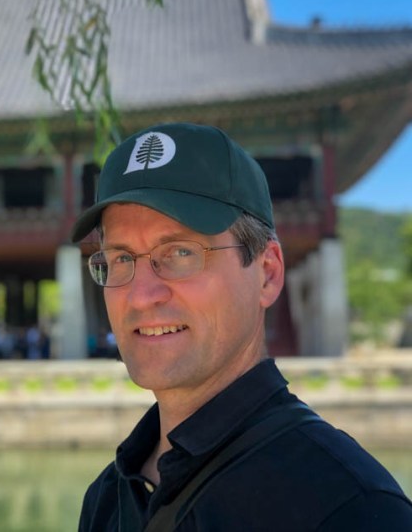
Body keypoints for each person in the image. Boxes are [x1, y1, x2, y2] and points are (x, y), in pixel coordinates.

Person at [73, 123, 412, 530]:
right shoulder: (108, 496)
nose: (142, 295)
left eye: (180, 252)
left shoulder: (347, 506)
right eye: (121, 258)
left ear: (267, 273)